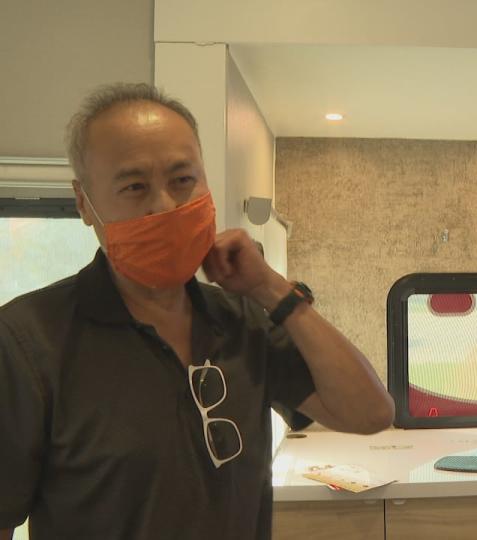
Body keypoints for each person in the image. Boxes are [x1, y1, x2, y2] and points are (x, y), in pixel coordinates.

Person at [0, 83, 395, 540]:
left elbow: (370, 413)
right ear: (84, 202)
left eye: (182, 180)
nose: (165, 205)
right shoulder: (28, 342)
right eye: (134, 186)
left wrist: (271, 289)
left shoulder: (243, 320)